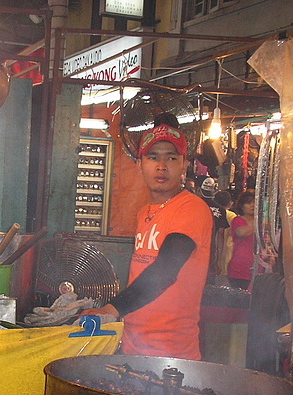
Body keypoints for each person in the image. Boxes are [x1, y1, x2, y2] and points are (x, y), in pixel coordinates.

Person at [82, 125, 213, 360]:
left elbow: (166, 269)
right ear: (140, 164)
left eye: (171, 158)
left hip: (172, 353)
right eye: (153, 158)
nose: (161, 166)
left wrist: (112, 309)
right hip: (134, 346)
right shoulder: (145, 213)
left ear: (184, 164)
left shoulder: (191, 209)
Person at [199, 176, 229, 283]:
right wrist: (219, 259)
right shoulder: (220, 210)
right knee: (208, 286)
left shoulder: (193, 205)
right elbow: (220, 235)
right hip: (209, 253)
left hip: (191, 251)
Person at [227, 191, 256, 290]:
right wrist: (258, 224)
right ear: (242, 206)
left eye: (254, 202)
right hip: (239, 270)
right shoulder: (238, 220)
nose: (252, 205)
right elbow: (241, 233)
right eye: (249, 203)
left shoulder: (263, 224)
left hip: (257, 269)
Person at [214, 190, 237, 276]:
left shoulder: (212, 212)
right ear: (230, 203)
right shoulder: (232, 216)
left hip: (214, 250)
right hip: (227, 253)